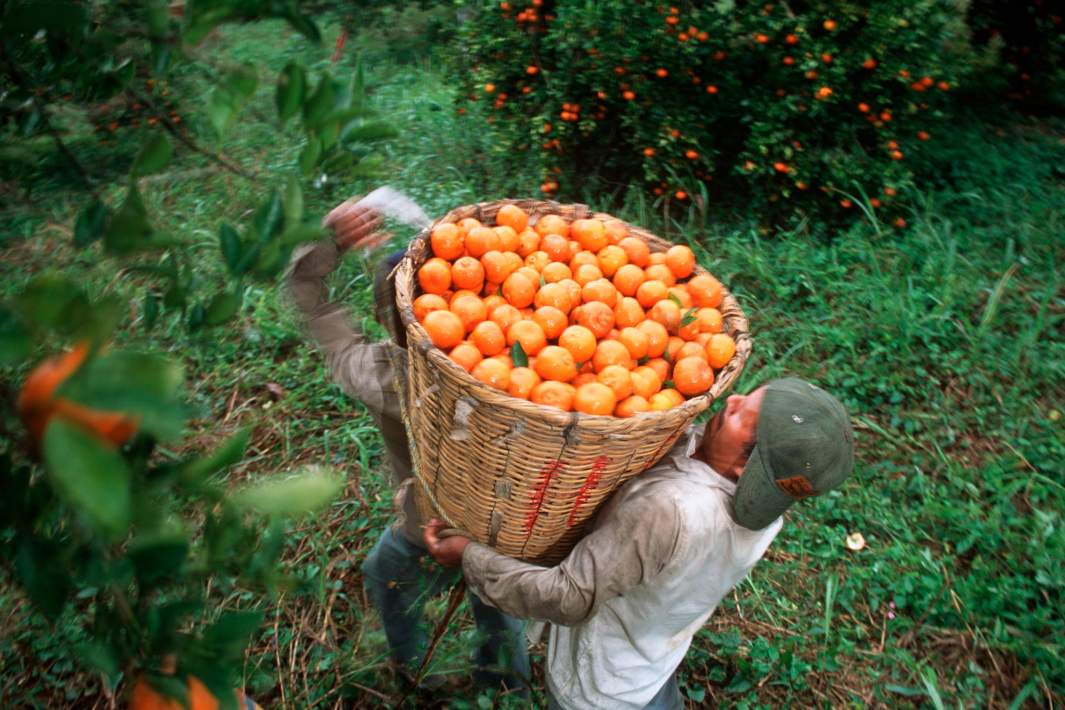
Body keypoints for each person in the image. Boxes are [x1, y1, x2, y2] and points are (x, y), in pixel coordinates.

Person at [426, 378, 855, 710]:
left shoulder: (668, 511)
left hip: (600, 688)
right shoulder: (768, 508)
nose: (733, 399)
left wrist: (471, 555)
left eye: (743, 414)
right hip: (651, 658)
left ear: (748, 465)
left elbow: (569, 597)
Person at [285, 199, 530, 694]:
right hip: (493, 532)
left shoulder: (378, 374)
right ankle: (506, 687)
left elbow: (307, 297)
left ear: (384, 319)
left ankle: (415, 671)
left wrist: (326, 241)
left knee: (388, 576)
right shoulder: (513, 372)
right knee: (497, 612)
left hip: (428, 524)